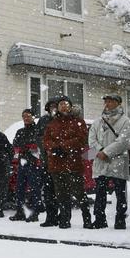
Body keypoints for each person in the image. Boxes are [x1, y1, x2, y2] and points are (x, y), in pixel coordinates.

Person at [43, 97, 90, 229]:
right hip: (56, 164)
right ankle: (64, 219)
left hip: (73, 164)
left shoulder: (78, 122)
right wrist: (54, 148)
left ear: (70, 106)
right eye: (61, 104)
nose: (63, 106)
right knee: (61, 195)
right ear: (57, 108)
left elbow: (81, 139)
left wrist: (63, 146)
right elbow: (46, 140)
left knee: (79, 193)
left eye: (66, 104)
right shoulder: (52, 124)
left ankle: (87, 218)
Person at [88, 94, 130, 229]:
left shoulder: (126, 121)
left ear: (118, 103)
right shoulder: (98, 121)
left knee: (120, 193)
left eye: (111, 101)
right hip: (100, 161)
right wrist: (99, 150)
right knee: (100, 192)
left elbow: (124, 141)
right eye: (106, 101)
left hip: (118, 161)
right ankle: (99, 219)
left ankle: (120, 220)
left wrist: (106, 152)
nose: (107, 104)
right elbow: (91, 139)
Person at [11, 109, 43, 221]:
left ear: (33, 117)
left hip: (34, 163)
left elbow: (38, 146)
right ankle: (20, 212)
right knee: (19, 188)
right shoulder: (20, 131)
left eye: (28, 116)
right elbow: (15, 143)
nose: (26, 118)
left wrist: (28, 147)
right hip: (22, 162)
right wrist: (26, 146)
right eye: (24, 116)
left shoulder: (37, 130)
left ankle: (35, 213)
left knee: (35, 189)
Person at [35, 98, 61, 227]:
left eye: (56, 106)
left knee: (61, 191)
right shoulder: (43, 120)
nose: (54, 109)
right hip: (47, 161)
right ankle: (51, 217)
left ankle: (63, 217)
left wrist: (57, 148)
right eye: (51, 106)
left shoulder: (64, 120)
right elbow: (38, 137)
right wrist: (47, 148)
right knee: (48, 191)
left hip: (62, 161)